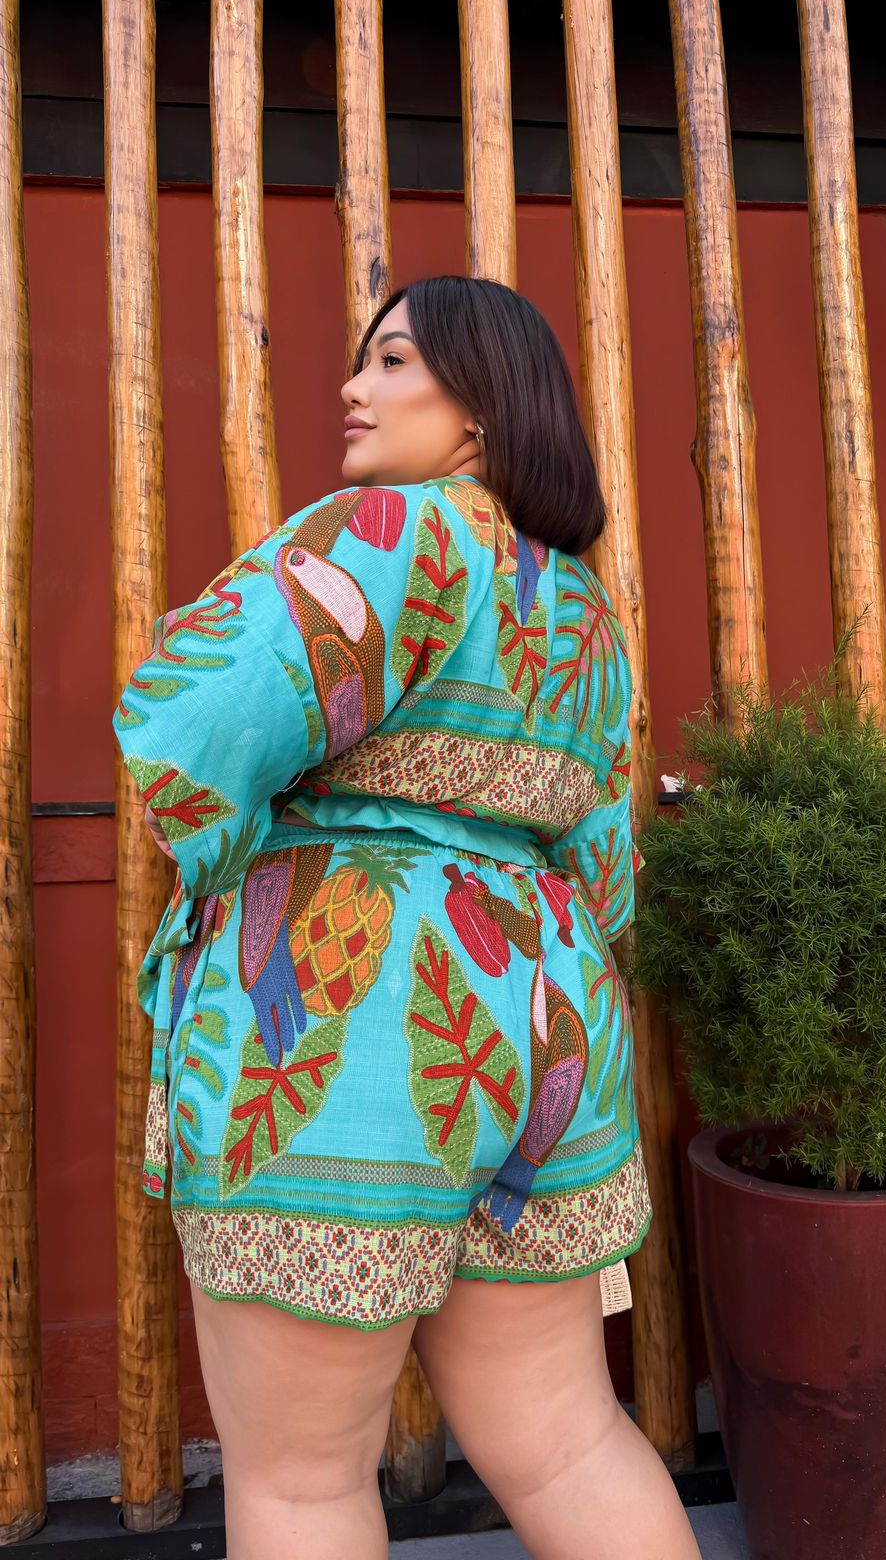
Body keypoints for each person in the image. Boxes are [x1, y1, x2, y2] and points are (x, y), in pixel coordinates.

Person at [114, 275, 700, 1560]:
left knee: (303, 1482)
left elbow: (192, 718)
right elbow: (606, 866)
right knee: (568, 1441)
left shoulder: (390, 531)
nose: (352, 387)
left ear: (481, 408)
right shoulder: (581, 606)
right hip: (542, 1014)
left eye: (391, 361)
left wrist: (237, 857)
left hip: (347, 1025)